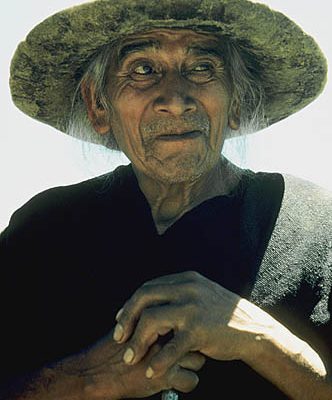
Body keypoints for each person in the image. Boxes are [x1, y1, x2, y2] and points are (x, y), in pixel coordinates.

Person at [1, 0, 331, 398]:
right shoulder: (43, 232)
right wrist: (87, 378)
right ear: (97, 105)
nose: (176, 99)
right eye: (143, 69)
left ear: (237, 102)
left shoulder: (315, 227)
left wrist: (260, 340)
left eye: (202, 68)